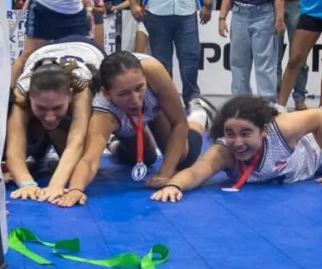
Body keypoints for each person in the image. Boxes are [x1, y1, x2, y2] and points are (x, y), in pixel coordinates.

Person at [150, 96, 322, 202]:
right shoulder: (223, 153)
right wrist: (174, 185)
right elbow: (195, 173)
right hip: (294, 170)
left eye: (246, 133)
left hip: (312, 154)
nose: (237, 142)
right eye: (230, 134)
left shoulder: (281, 128)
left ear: (263, 130)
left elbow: (315, 118)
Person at [58, 52, 216, 206]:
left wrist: (165, 173)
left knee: (183, 159)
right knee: (146, 158)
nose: (135, 100)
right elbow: (89, 160)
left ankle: (199, 115)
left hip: (156, 110)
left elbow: (179, 123)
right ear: (106, 94)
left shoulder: (153, 71)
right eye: (124, 93)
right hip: (122, 120)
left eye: (140, 88)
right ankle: (113, 142)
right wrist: (75, 189)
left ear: (145, 78)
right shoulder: (103, 115)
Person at [6, 41, 105, 205]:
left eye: (57, 107)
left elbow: (77, 141)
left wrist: (56, 185)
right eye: (41, 108)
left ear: (70, 96)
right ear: (30, 98)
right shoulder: (21, 92)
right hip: (44, 52)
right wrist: (26, 183)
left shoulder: (82, 88)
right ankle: (47, 136)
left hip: (88, 48)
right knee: (47, 128)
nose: (50, 116)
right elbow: (14, 146)